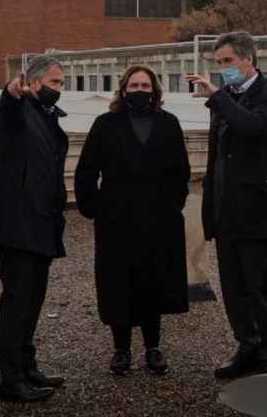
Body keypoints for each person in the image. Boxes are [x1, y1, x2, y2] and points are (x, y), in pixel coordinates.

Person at [75, 65, 191, 376]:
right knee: (118, 283)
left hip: (159, 219)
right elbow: (86, 170)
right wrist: (94, 208)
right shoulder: (105, 124)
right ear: (123, 89)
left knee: (154, 281)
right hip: (116, 219)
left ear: (154, 90)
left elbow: (181, 171)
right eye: (133, 85)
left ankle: (153, 347)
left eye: (145, 85)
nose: (139, 90)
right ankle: (121, 349)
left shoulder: (169, 124)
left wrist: (172, 206)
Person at [186, 31, 267, 380]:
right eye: (219, 63)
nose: (223, 69)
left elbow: (255, 127)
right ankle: (246, 345)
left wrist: (218, 98)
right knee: (233, 288)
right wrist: (209, 208)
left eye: (228, 61)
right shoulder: (226, 96)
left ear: (248, 59)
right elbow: (217, 155)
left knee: (260, 288)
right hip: (224, 208)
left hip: (255, 208)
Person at [0, 55, 69, 403]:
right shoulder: (18, 111)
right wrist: (10, 93)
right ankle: (11, 379)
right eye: (54, 83)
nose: (59, 90)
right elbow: (8, 110)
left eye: (61, 83)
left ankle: (27, 365)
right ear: (32, 83)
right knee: (17, 302)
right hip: (17, 225)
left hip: (42, 223)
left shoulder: (46, 117)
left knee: (33, 300)